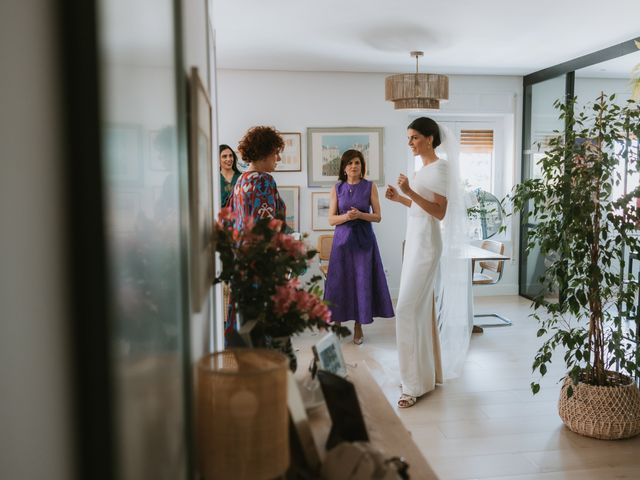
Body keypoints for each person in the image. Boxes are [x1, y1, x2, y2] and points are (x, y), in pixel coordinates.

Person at [385, 117, 471, 408]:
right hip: (415, 242)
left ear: (430, 139)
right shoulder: (422, 169)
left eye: (414, 138)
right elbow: (421, 207)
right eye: (408, 138)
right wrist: (401, 199)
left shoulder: (441, 167)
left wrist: (409, 192)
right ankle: (423, 375)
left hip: (427, 246)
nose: (410, 143)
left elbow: (439, 212)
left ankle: (411, 385)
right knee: (420, 310)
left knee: (406, 308)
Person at [323, 149, 394, 345]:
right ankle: (336, 324)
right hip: (341, 243)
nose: (354, 166)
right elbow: (331, 219)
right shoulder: (337, 188)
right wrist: (347, 216)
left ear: (362, 166)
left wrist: (360, 215)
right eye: (350, 163)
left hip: (364, 242)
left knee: (361, 283)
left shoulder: (369, 186)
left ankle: (358, 326)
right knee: (339, 283)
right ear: (344, 168)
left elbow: (377, 216)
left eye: (357, 162)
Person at [225, 126, 287, 341]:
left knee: (247, 323)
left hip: (242, 261)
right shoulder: (263, 181)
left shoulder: (240, 181)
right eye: (275, 152)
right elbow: (269, 228)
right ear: (263, 152)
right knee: (264, 327)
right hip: (261, 265)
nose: (278, 158)